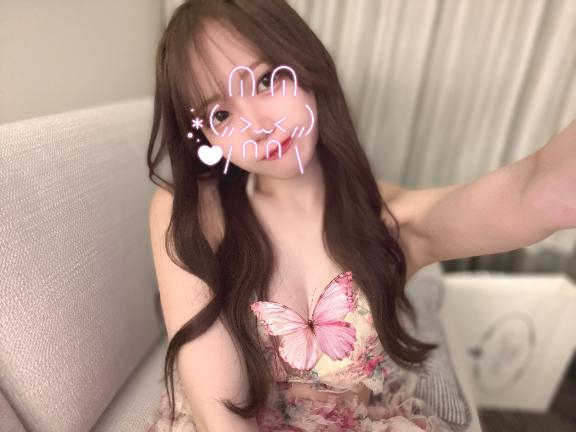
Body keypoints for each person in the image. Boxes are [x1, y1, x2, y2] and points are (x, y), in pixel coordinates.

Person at [145, 0, 576, 431]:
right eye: (220, 114)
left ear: (305, 64)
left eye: (266, 80)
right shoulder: (195, 212)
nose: (257, 126)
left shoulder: (393, 223)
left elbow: (537, 193)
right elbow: (220, 417)